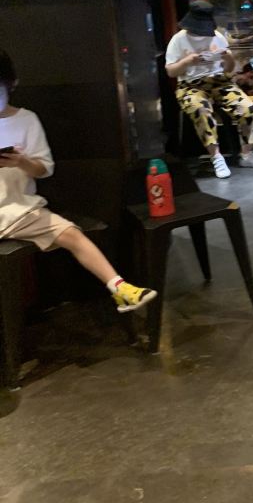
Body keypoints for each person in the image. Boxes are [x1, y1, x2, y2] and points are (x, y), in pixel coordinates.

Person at [0, 49, 156, 314]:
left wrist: (21, 162)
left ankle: (120, 288)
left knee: (71, 234)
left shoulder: (26, 120)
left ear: (11, 84)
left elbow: (44, 169)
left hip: (20, 211)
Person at [165, 0, 253, 178]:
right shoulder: (178, 39)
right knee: (200, 109)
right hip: (191, 85)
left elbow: (228, 69)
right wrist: (187, 61)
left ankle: (247, 154)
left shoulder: (217, 36)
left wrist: (228, 58)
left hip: (219, 81)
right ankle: (216, 157)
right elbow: (170, 71)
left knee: (248, 108)